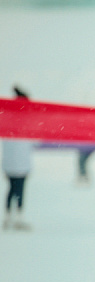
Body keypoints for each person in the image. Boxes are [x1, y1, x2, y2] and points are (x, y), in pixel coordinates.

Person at [2, 86, 36, 232]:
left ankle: (9, 217)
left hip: (10, 163)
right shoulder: (27, 122)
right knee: (19, 190)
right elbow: (34, 142)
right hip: (21, 164)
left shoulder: (7, 119)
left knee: (11, 189)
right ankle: (17, 218)